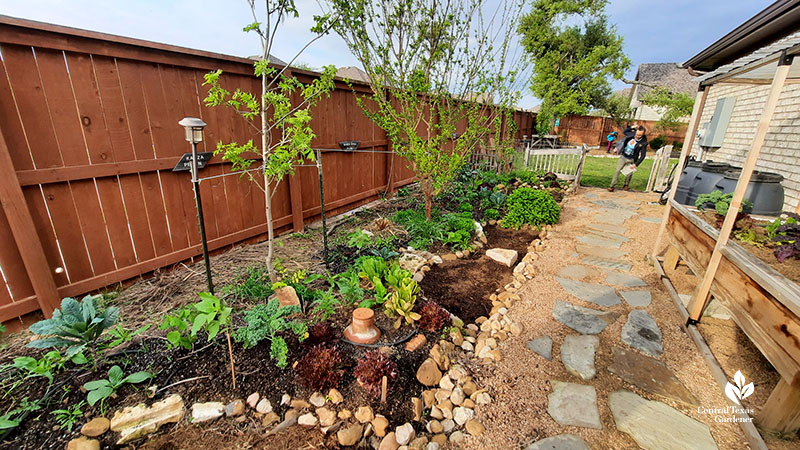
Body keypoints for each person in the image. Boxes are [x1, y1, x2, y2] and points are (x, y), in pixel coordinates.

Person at [609, 125, 648, 192]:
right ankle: (612, 186)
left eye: (639, 135)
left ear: (643, 134)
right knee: (617, 171)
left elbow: (643, 155)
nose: (637, 136)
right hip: (623, 156)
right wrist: (632, 127)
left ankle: (626, 185)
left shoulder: (643, 142)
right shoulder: (632, 134)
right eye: (637, 134)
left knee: (629, 173)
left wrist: (636, 164)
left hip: (632, 159)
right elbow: (625, 131)